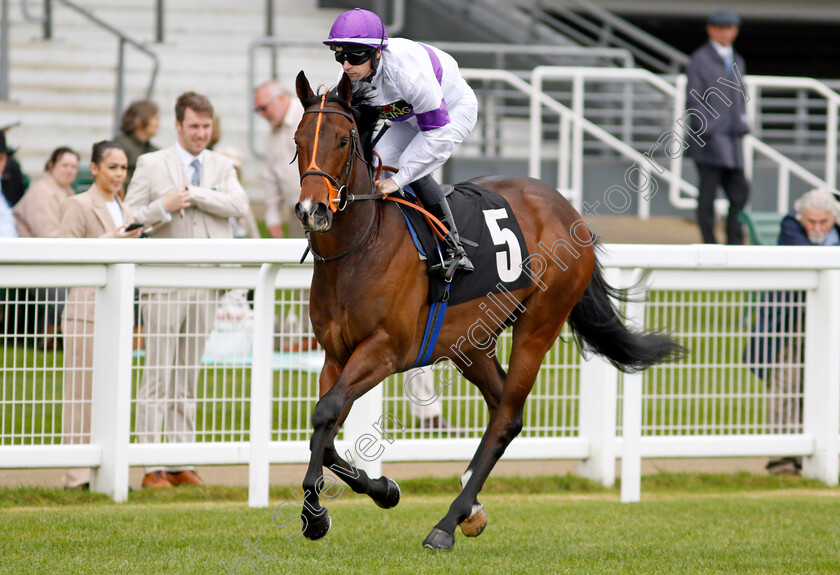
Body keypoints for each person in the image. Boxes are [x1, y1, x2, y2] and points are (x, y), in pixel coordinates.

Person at [125, 91, 249, 489]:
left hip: (207, 283)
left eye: (206, 126)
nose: (200, 133)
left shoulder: (221, 164)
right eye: (194, 126)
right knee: (157, 374)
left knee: (187, 375)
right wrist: (162, 206)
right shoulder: (150, 163)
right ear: (177, 126)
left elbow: (239, 206)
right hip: (164, 283)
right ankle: (150, 466)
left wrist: (195, 194)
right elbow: (129, 216)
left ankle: (181, 461)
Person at [324, 7, 475, 274]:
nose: (347, 65)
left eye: (355, 56)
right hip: (407, 120)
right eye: (341, 56)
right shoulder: (350, 78)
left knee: (407, 166)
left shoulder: (408, 75)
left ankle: (452, 246)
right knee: (376, 166)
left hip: (451, 113)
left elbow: (436, 137)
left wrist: (398, 180)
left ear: (377, 53)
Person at [58, 141, 143, 489]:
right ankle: (76, 475)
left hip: (118, 314)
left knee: (114, 395)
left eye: (123, 168)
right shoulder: (77, 204)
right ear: (94, 169)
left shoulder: (124, 205)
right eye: (112, 167)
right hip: (84, 313)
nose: (119, 174)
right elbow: (65, 257)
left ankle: (105, 472)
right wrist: (111, 239)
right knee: (80, 395)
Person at [751, 189, 840, 475]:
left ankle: (826, 456)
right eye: (810, 221)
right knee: (786, 383)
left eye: (823, 222)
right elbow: (811, 258)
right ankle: (782, 460)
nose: (815, 228)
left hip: (832, 319)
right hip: (791, 321)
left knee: (828, 386)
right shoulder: (791, 226)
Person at [685, 10, 750, 245]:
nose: (726, 32)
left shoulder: (737, 59)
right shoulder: (699, 60)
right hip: (709, 142)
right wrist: (707, 129)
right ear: (711, 29)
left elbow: (739, 96)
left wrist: (741, 123)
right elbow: (694, 99)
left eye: (730, 28)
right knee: (708, 196)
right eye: (721, 27)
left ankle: (734, 240)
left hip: (731, 141)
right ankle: (710, 243)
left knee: (740, 191)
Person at [13, 147, 80, 348]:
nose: (69, 170)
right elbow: (48, 236)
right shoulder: (42, 193)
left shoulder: (67, 192)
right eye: (65, 165)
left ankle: (54, 335)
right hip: (35, 264)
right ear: (51, 166)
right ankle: (51, 336)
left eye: (74, 166)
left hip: (58, 261)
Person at [253, 80, 304, 239]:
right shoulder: (271, 137)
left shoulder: (307, 116)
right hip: (297, 212)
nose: (261, 114)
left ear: (281, 98)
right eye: (258, 110)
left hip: (325, 208)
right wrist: (273, 217)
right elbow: (271, 178)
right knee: (297, 263)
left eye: (264, 108)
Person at [113, 99, 160, 188]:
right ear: (138, 120)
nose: (158, 124)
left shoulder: (155, 150)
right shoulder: (120, 145)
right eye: (155, 118)